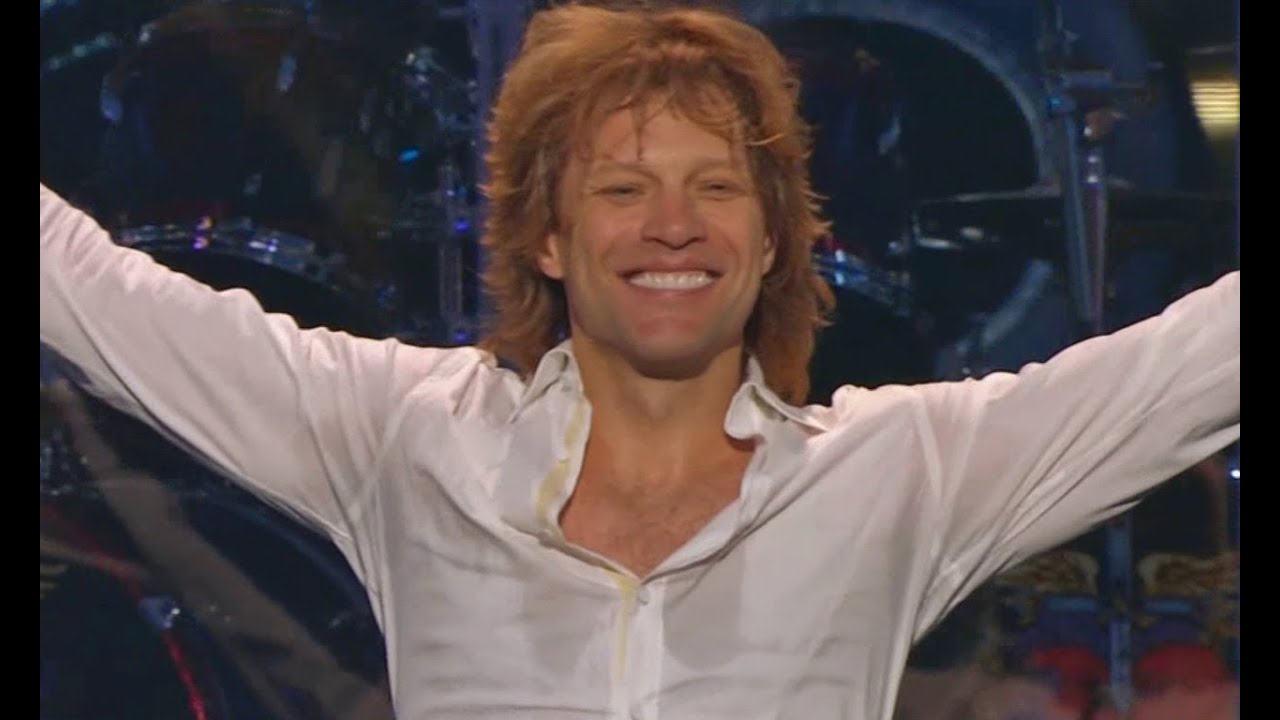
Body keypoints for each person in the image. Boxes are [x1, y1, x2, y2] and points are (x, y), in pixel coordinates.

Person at [39, 2, 1239, 719]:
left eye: (714, 188)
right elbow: (87, 289)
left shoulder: (901, 470)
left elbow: (1197, 360)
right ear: (548, 238)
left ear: (770, 240)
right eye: (622, 189)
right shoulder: (401, 438)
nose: (672, 227)